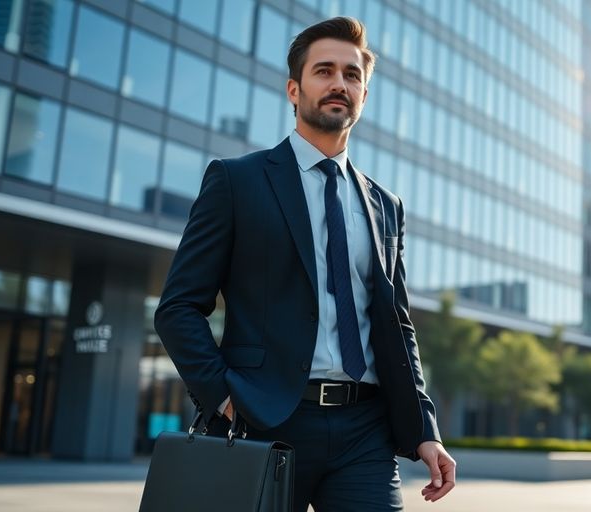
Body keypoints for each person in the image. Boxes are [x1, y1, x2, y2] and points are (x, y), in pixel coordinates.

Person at [154, 16, 456, 510]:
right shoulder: (237, 181)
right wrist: (224, 397)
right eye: (325, 71)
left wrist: (425, 429)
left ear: (364, 94)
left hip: (366, 432)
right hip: (264, 421)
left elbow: (397, 326)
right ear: (294, 89)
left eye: (353, 75)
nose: (340, 83)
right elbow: (178, 307)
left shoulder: (386, 205)